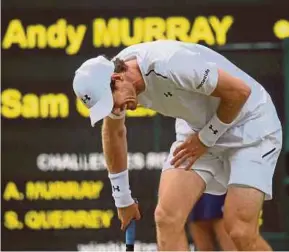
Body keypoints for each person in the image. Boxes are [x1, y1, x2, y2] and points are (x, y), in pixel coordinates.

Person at [72, 40, 282, 251]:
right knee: (166, 218)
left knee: (240, 231)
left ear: (117, 78)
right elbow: (114, 133)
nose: (115, 110)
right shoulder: (118, 81)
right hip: (198, 129)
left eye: (112, 103)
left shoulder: (170, 62)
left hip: (251, 124)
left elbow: (239, 93)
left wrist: (205, 139)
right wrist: (122, 199)